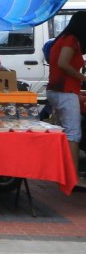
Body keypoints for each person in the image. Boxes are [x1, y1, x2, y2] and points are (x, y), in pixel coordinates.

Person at [46, 11, 86, 182]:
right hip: (66, 91)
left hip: (57, 90)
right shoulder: (71, 40)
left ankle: (63, 175)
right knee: (73, 134)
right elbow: (63, 63)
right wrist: (82, 78)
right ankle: (72, 177)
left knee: (64, 133)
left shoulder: (63, 38)